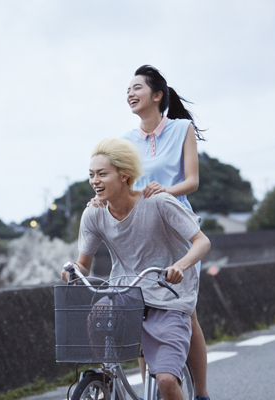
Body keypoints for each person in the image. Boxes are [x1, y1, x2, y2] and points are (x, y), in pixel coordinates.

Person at [91, 65, 210, 400]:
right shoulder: (125, 142)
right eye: (127, 89)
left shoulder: (181, 129)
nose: (130, 94)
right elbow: (120, 182)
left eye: (137, 88)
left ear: (158, 95)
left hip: (176, 229)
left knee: (186, 312)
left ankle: (201, 393)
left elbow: (192, 181)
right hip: (140, 233)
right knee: (139, 309)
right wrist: (102, 195)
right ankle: (150, 392)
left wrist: (162, 193)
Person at [63, 138, 211, 400]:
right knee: (97, 311)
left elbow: (202, 241)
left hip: (168, 295)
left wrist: (179, 266)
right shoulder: (94, 214)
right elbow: (83, 264)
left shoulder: (158, 202)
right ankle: (105, 374)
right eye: (91, 175)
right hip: (126, 294)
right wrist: (73, 272)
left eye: (102, 174)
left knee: (166, 380)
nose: (95, 181)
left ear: (124, 175)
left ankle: (195, 390)